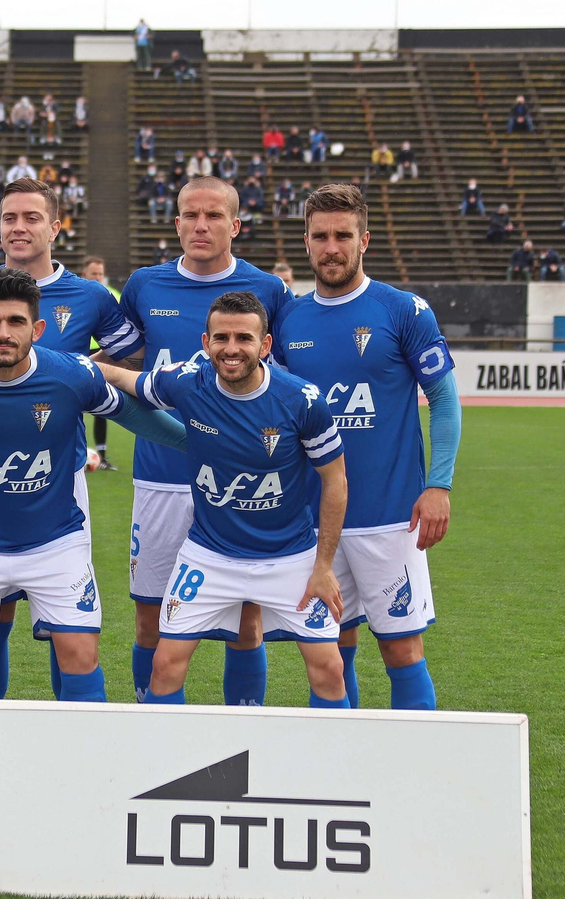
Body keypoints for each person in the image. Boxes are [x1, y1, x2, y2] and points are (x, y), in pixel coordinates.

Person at [0, 269, 185, 702]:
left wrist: (199, 442)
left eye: (15, 322)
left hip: (55, 544)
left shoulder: (72, 375)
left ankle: (84, 768)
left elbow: (134, 417)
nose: (3, 333)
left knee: (81, 660)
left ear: (37, 329)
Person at [0, 181, 146, 699]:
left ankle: (64, 735)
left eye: (30, 217)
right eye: (8, 218)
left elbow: (134, 359)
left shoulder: (90, 296)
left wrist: (89, 372)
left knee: (67, 627)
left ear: (55, 226)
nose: (18, 228)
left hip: (61, 484)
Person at [99, 291, 350, 708]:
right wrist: (85, 368)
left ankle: (330, 770)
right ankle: (159, 762)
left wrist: (323, 566)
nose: (231, 349)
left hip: (290, 555)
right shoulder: (187, 383)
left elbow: (336, 480)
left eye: (243, 339)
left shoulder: (302, 400)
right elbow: (132, 383)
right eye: (221, 338)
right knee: (165, 666)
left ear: (264, 346)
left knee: (329, 668)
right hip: (209, 554)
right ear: (205, 343)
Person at [266, 181, 458, 712]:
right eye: (321, 236)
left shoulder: (403, 310)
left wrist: (438, 484)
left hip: (389, 514)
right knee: (328, 655)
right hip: (316, 518)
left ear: (364, 240)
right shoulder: (288, 320)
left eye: (343, 235)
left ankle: (415, 773)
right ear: (306, 242)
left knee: (401, 649)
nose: (332, 247)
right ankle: (339, 775)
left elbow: (443, 398)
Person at [115, 175, 294, 706]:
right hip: (161, 478)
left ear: (235, 224)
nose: (201, 225)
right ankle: (153, 722)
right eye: (190, 215)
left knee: (245, 620)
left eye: (214, 216)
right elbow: (127, 369)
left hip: (241, 482)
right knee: (153, 616)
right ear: (175, 223)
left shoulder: (269, 291)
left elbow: (283, 379)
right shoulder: (145, 285)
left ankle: (244, 724)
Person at [80, 255, 122, 471]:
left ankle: (102, 457)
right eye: (93, 273)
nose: (97, 277)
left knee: (100, 408)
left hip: (103, 356)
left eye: (99, 273)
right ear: (84, 274)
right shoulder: (75, 295)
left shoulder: (112, 295)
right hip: (78, 354)